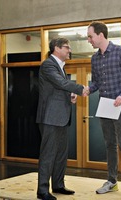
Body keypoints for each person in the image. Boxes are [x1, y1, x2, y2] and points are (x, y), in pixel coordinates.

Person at [87, 21, 121, 198]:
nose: (89, 40)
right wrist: (87, 89)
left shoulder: (120, 52)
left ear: (101, 35)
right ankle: (112, 181)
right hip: (105, 105)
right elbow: (96, 83)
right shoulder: (95, 58)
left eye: (90, 36)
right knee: (109, 144)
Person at [36, 37, 89, 200]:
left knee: (60, 153)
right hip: (50, 117)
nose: (69, 50)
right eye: (67, 47)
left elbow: (58, 89)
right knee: (48, 154)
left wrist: (71, 95)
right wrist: (80, 89)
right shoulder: (48, 64)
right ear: (56, 49)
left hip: (61, 117)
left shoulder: (60, 66)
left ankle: (58, 185)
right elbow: (60, 83)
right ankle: (42, 190)